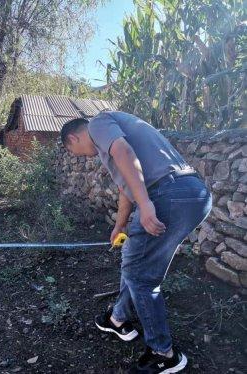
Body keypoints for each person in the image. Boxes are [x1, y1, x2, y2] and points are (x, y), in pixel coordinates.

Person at [60, 111, 212, 373]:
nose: (83, 157)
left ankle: (163, 353)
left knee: (141, 276)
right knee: (136, 261)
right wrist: (120, 226)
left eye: (76, 152)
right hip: (193, 195)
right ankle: (118, 318)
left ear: (73, 138)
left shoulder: (98, 124)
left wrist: (146, 204)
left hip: (166, 194)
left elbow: (124, 153)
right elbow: (125, 188)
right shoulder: (113, 135)